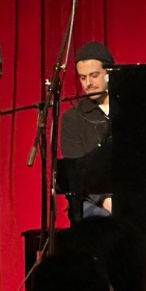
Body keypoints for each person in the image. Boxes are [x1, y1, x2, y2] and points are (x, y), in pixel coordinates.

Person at [60, 41, 114, 220]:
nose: (88, 83)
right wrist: (105, 200)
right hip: (90, 200)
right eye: (83, 78)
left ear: (109, 73)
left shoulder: (131, 108)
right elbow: (78, 172)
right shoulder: (73, 118)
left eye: (94, 75)